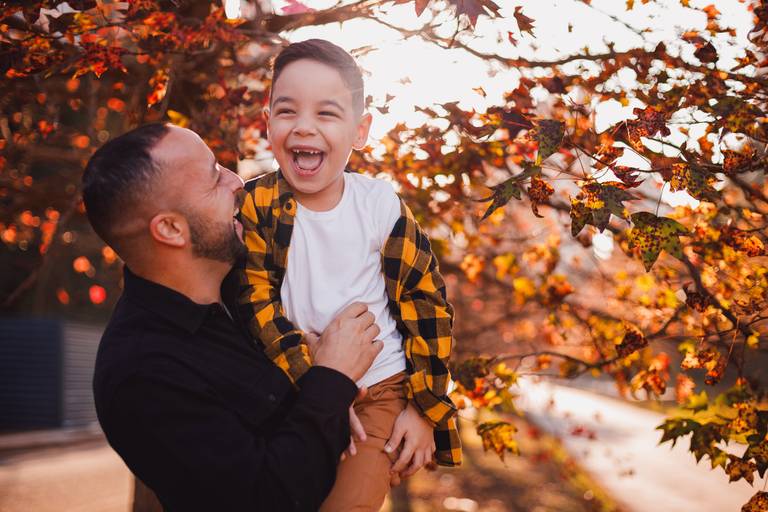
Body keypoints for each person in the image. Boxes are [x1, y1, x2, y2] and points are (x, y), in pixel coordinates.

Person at [84, 123, 384, 511]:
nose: (238, 182)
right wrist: (332, 379)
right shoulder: (142, 375)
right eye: (213, 177)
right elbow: (264, 498)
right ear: (171, 229)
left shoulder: (251, 281)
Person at [238, 39, 462, 511]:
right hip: (294, 383)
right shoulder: (255, 205)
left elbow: (427, 306)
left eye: (326, 113)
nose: (304, 126)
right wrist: (319, 381)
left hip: (381, 390)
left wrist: (424, 410)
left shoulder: (379, 206)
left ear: (360, 131)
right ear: (267, 122)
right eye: (287, 111)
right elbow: (254, 302)